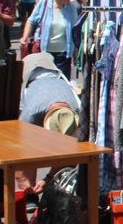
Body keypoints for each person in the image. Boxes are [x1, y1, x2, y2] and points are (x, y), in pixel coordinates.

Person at [15, 51, 80, 194]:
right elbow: (19, 150)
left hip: (52, 71)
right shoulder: (30, 113)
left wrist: (48, 179)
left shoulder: (76, 112)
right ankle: (30, 193)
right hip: (30, 71)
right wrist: (22, 179)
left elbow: (73, 156)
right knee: (29, 145)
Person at [21, 0, 79, 78]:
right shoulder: (44, 3)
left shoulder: (71, 7)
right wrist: (25, 37)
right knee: (43, 81)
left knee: (62, 84)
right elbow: (31, 21)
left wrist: (75, 51)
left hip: (63, 54)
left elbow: (75, 30)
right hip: (44, 52)